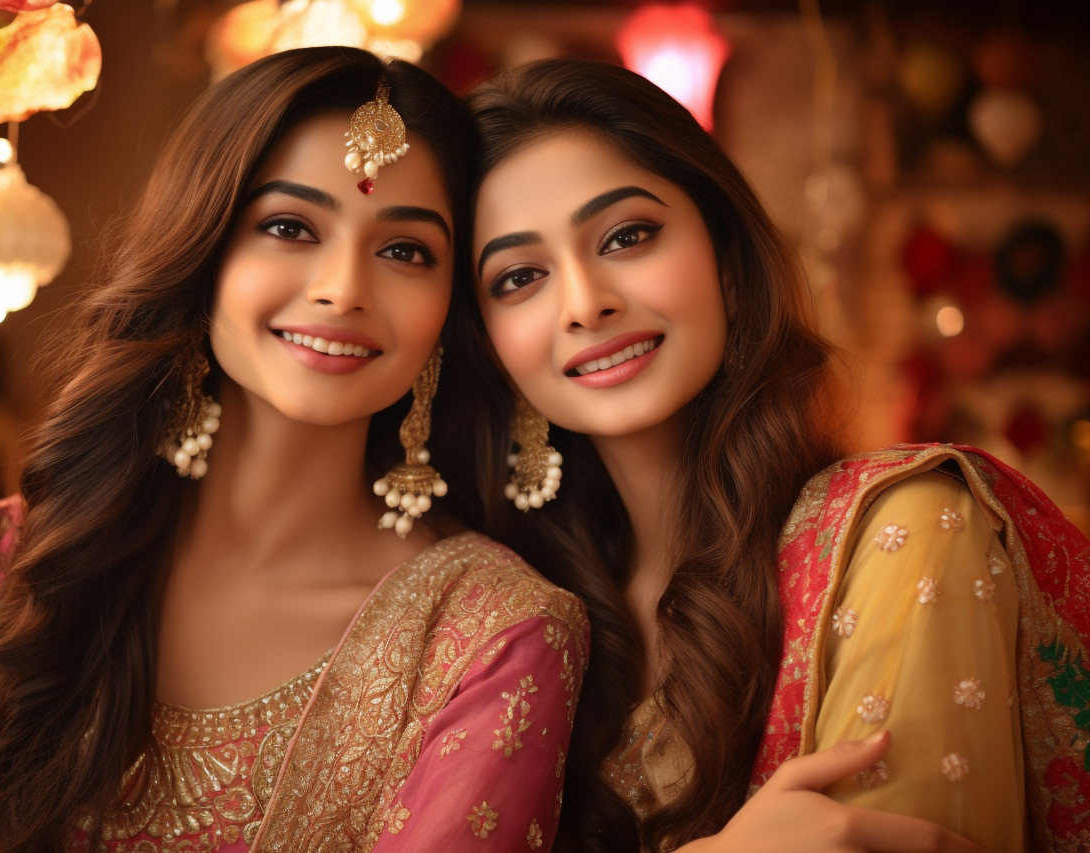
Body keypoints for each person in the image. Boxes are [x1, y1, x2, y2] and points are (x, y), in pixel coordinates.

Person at [0, 47, 588, 853]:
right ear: (203, 255)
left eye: (404, 250)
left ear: (447, 310)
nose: (343, 288)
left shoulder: (491, 637)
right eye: (289, 227)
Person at [448, 58, 1090, 852]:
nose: (585, 302)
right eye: (518, 277)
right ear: (486, 343)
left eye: (627, 235)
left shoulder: (901, 531)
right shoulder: (519, 621)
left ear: (722, 247)